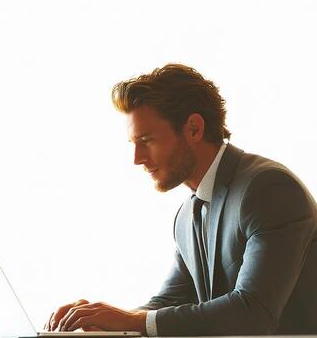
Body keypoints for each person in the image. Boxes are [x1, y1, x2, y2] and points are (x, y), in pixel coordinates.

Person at [44, 64, 317, 336]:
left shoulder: (269, 189)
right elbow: (167, 304)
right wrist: (99, 326)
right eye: (134, 144)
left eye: (147, 140)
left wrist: (129, 321)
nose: (137, 158)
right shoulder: (187, 216)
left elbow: (252, 313)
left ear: (194, 129)